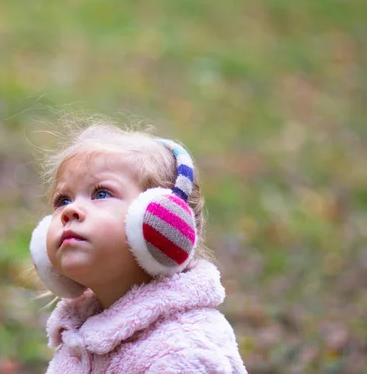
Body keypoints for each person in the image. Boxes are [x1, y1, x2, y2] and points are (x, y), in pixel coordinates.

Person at [29, 122, 247, 373]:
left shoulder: (181, 351)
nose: (70, 211)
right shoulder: (79, 337)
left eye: (101, 194)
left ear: (161, 221)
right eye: (63, 200)